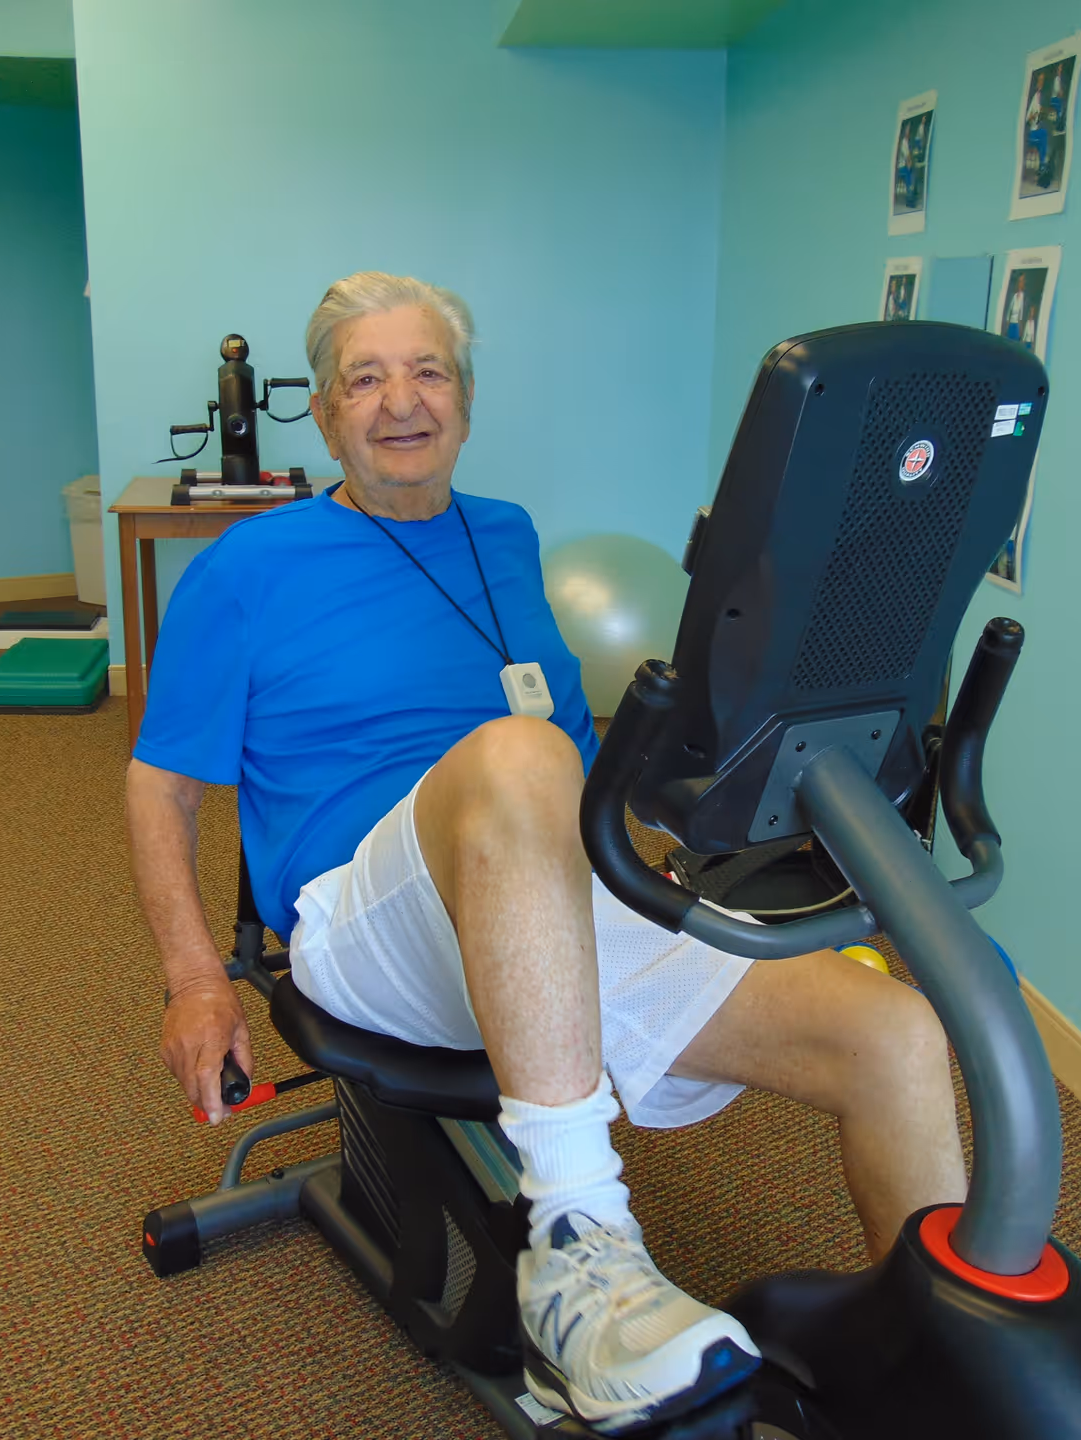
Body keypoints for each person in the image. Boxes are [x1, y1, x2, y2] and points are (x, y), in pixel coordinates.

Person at [127, 272, 967, 1435]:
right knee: (519, 756)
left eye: (427, 371)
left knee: (896, 1034)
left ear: (466, 401)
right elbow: (160, 782)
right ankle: (577, 1249)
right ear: (323, 416)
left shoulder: (507, 534)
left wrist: (643, 852)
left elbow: (572, 744)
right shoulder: (247, 567)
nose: (401, 401)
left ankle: (933, 1376)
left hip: (550, 877)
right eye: (365, 379)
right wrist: (193, 978)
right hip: (364, 917)